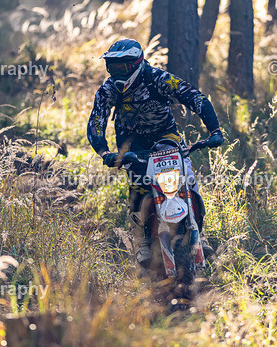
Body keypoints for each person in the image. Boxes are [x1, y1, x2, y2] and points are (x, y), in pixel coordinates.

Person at [86, 38, 224, 265]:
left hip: (165, 136)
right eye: (113, 66)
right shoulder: (108, 90)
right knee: (138, 186)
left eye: (123, 66)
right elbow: (96, 122)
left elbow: (195, 97)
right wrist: (104, 152)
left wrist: (215, 130)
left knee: (186, 179)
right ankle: (142, 240)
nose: (118, 72)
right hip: (130, 144)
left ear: (137, 63)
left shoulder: (159, 79)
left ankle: (199, 232)